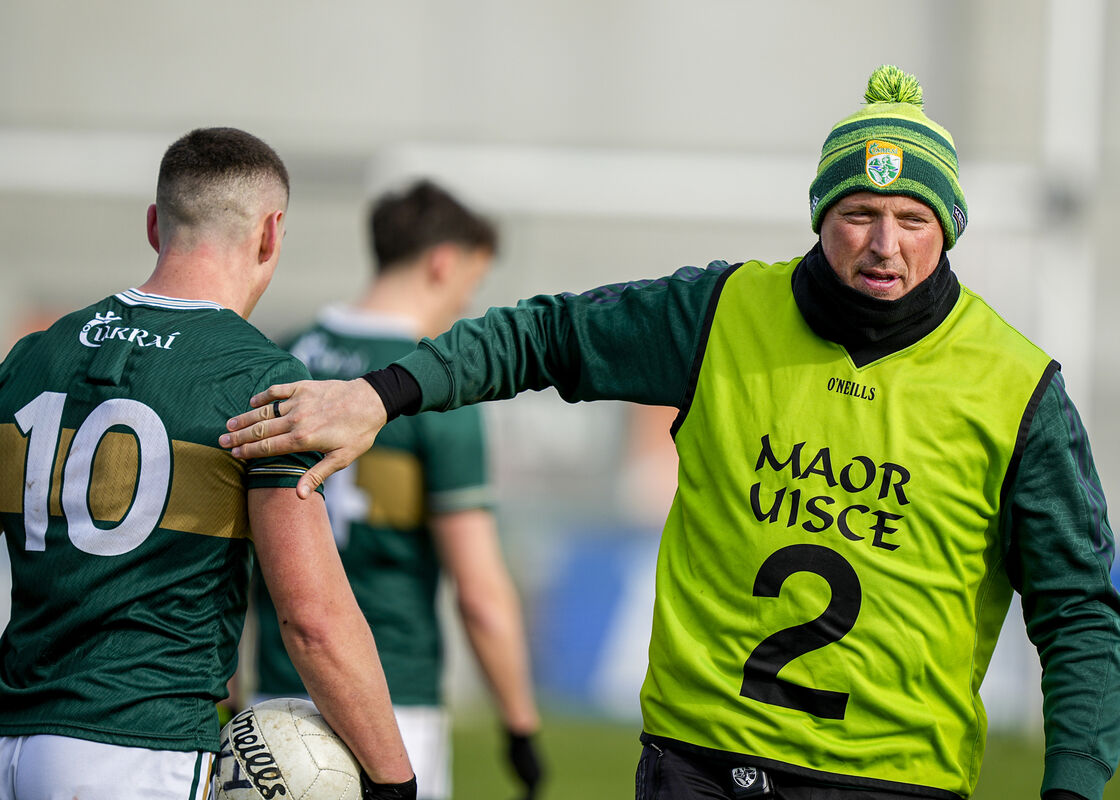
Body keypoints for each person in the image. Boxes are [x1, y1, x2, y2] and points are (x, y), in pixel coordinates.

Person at [219, 66, 1120, 800]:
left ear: (948, 230)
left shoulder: (1018, 388)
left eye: (912, 220)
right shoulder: (720, 311)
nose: (884, 243)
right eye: (859, 214)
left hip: (890, 781)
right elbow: (545, 334)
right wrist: (383, 395)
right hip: (695, 767)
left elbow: (1079, 609)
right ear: (821, 217)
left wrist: (1075, 787)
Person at [0, 127, 416, 800]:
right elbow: (312, 618)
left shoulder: (33, 355)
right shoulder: (260, 378)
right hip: (136, 749)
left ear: (155, 224)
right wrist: (394, 780)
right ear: (271, 235)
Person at [243, 179, 543, 800]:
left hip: (274, 703)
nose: (467, 300)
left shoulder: (280, 358)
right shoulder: (434, 389)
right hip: (393, 708)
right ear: (443, 262)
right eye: (472, 281)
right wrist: (520, 725)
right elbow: (480, 593)